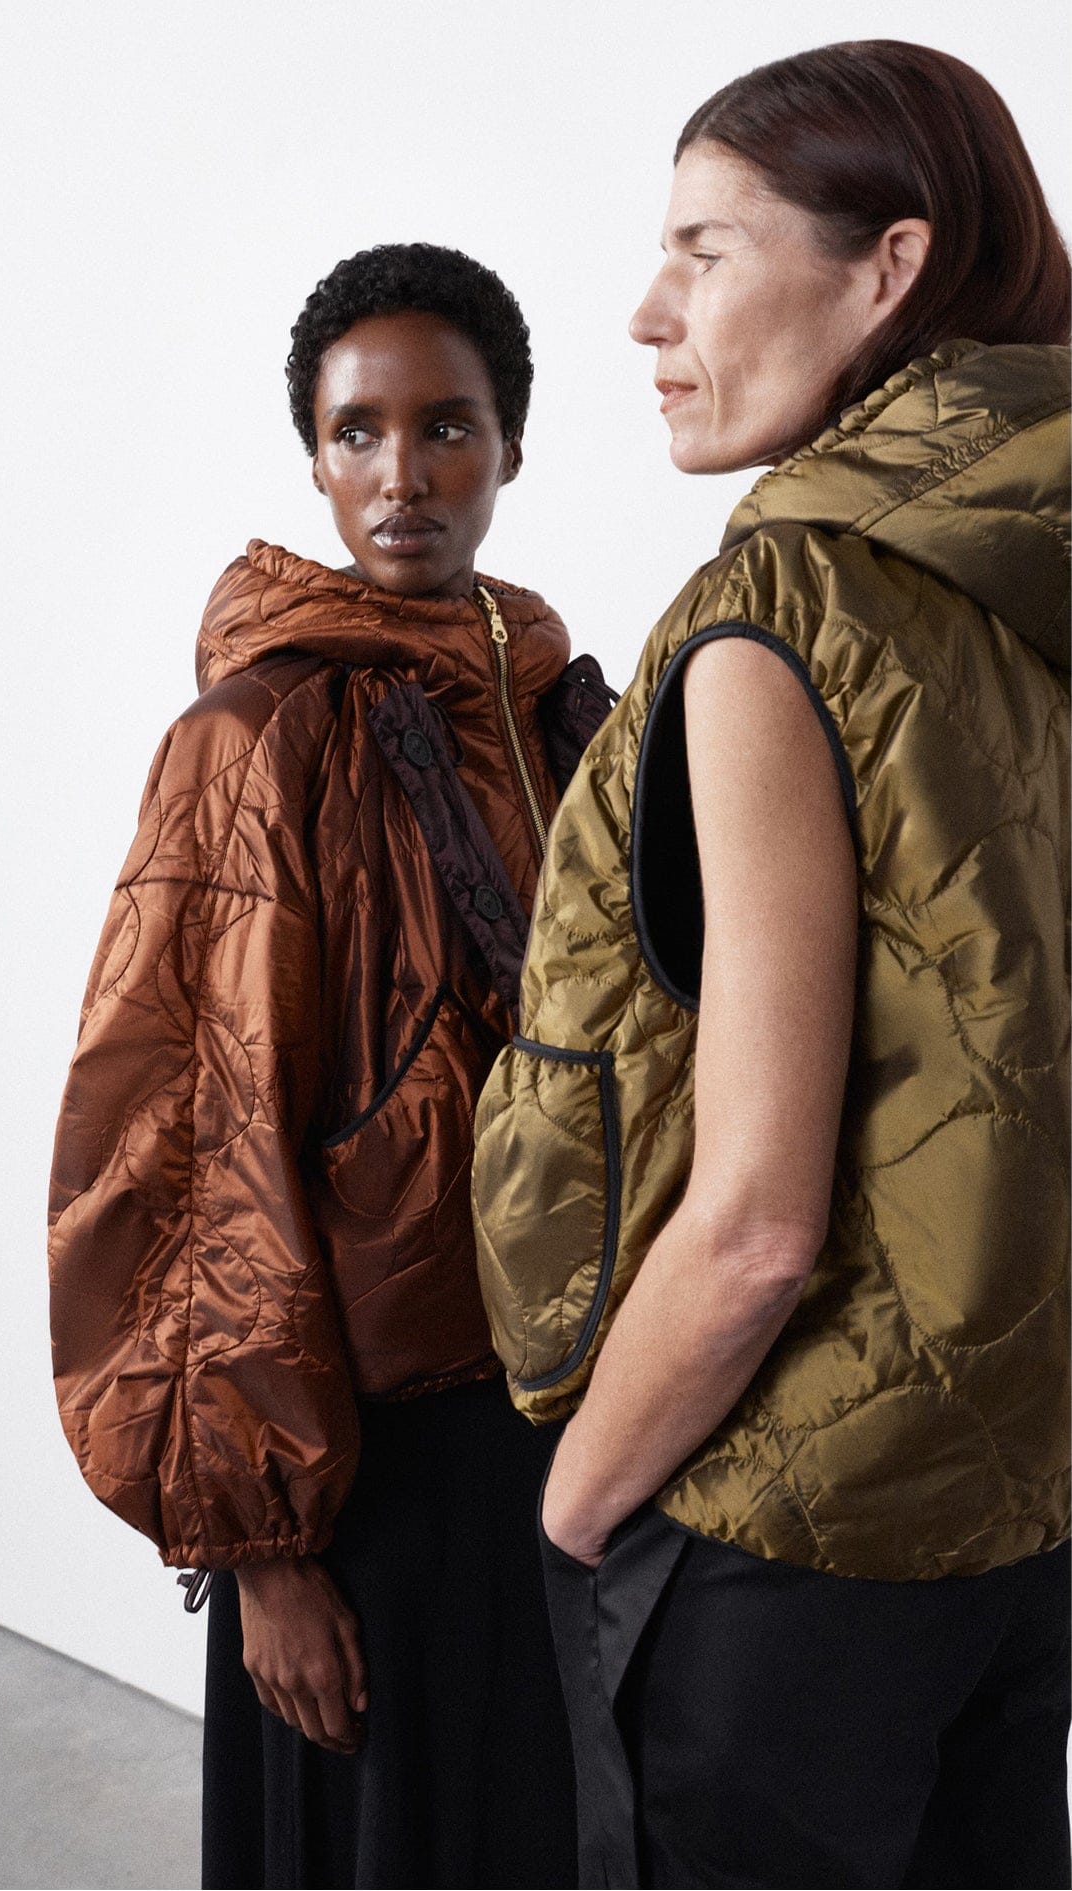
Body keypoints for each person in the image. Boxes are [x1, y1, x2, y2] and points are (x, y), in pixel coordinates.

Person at [471, 41, 1070, 1890]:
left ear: (888, 269)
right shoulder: (1036, 574)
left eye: (704, 249)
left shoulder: (783, 615)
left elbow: (752, 1227)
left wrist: (576, 1507)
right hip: (1022, 1502)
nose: (648, 313)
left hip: (780, 1528)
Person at [48, 241, 613, 1889]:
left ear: (511, 446)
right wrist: (264, 1552)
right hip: (361, 1457)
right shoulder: (251, 740)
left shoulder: (569, 714)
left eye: (446, 428)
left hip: (565, 1420)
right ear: (310, 457)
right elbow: (181, 1142)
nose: (401, 476)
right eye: (356, 431)